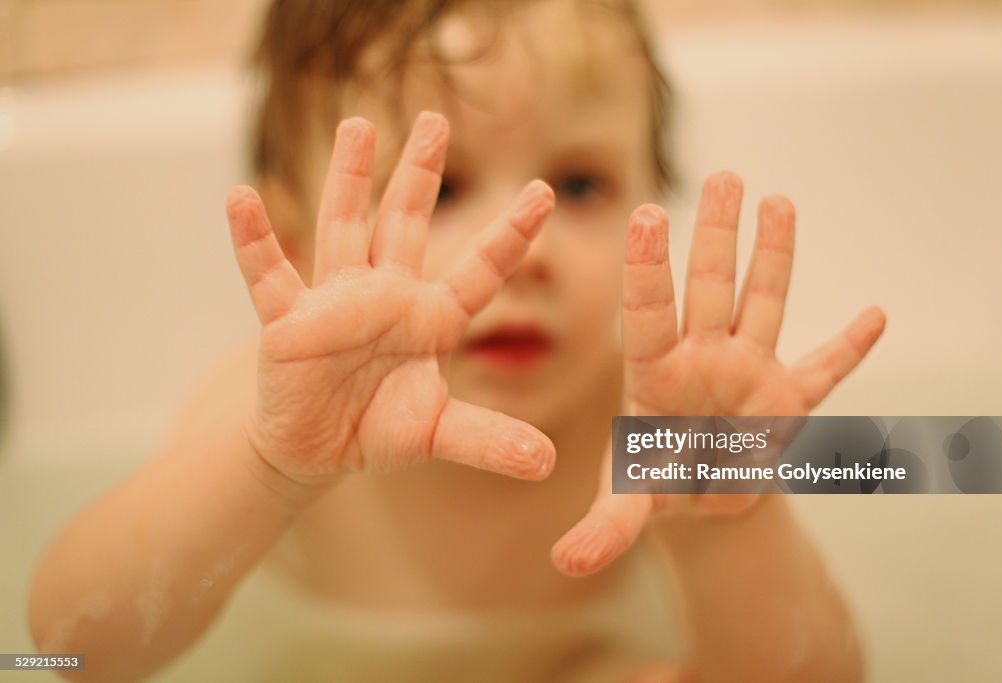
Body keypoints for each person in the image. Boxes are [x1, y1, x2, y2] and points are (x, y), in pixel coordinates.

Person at [28, 1, 885, 681]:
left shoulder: (660, 427)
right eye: (440, 191)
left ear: (649, 206)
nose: (526, 250)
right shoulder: (261, 424)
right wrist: (271, 469)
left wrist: (722, 515)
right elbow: (69, 650)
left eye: (581, 184)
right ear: (295, 243)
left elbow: (814, 679)